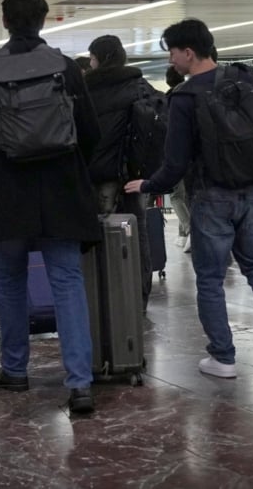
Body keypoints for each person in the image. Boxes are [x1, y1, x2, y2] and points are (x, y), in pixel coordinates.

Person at [125, 18, 253, 378]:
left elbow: (174, 165)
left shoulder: (185, 98)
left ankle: (223, 357)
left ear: (189, 52)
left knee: (210, 278)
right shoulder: (245, 77)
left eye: (173, 53)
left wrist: (146, 185)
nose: (171, 60)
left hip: (211, 196)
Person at [0, 0, 100, 413]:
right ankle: (79, 383)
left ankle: (16, 370)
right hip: (61, 189)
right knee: (67, 283)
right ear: (44, 21)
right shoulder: (64, 66)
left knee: (10, 282)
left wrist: (1, 159)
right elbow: (91, 131)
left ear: (5, 21)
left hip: (8, 190)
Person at [84, 34, 156, 309]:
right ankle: (139, 295)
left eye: (92, 58)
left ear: (99, 59)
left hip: (98, 176)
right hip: (134, 174)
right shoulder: (139, 85)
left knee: (100, 236)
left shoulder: (87, 90)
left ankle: (104, 296)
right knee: (136, 234)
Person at [165, 65, 191, 251]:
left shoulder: (167, 99)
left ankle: (190, 229)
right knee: (187, 194)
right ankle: (183, 234)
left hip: (174, 152)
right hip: (192, 152)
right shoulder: (190, 94)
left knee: (176, 195)